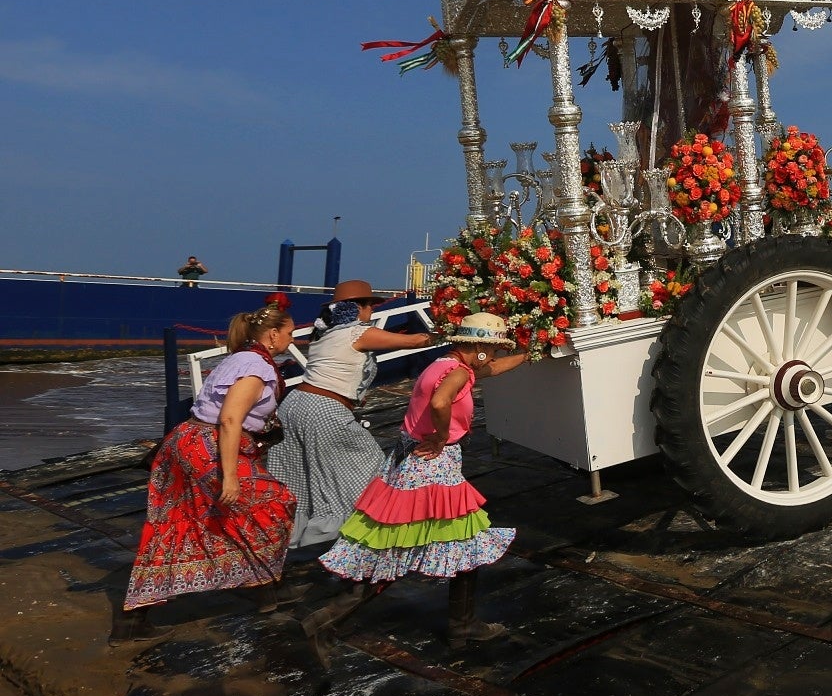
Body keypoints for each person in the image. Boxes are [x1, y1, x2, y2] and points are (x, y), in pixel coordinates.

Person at [303, 313, 528, 664]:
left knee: (456, 545)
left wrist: (532, 354)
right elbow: (441, 403)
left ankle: (462, 626)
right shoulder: (456, 372)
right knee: (409, 550)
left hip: (412, 464)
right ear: (479, 347)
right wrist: (440, 436)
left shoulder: (445, 364)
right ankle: (322, 623)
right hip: (431, 469)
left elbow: (491, 372)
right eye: (493, 348)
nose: (495, 356)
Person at [116, 305, 297, 638]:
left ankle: (133, 620)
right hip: (208, 447)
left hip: (187, 442)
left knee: (176, 524)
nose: (291, 337)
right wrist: (229, 476)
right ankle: (267, 586)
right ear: (273, 334)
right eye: (288, 332)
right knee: (276, 503)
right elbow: (229, 420)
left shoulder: (241, 358)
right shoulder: (256, 368)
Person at [276, 280, 435, 549]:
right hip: (323, 410)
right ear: (357, 308)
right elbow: (414, 340)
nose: (372, 310)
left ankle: (290, 542)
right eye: (369, 305)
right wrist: (454, 333)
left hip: (294, 406)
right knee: (366, 465)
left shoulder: (324, 334)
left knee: (301, 478)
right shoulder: (357, 333)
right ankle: (337, 542)